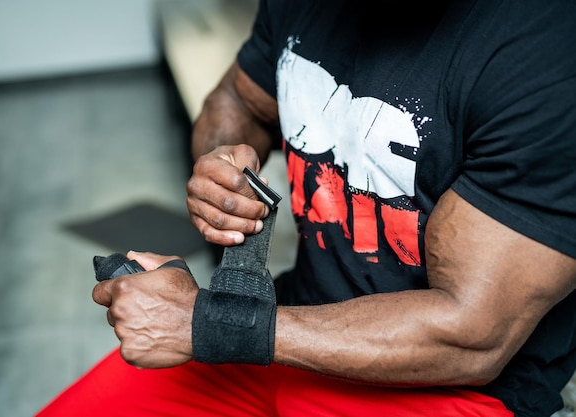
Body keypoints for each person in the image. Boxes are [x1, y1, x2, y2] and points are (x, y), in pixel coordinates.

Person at [36, 0, 576, 416]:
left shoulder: (544, 54)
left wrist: (209, 322)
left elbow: (471, 334)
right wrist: (220, 171)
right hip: (294, 328)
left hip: (447, 385)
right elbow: (238, 101)